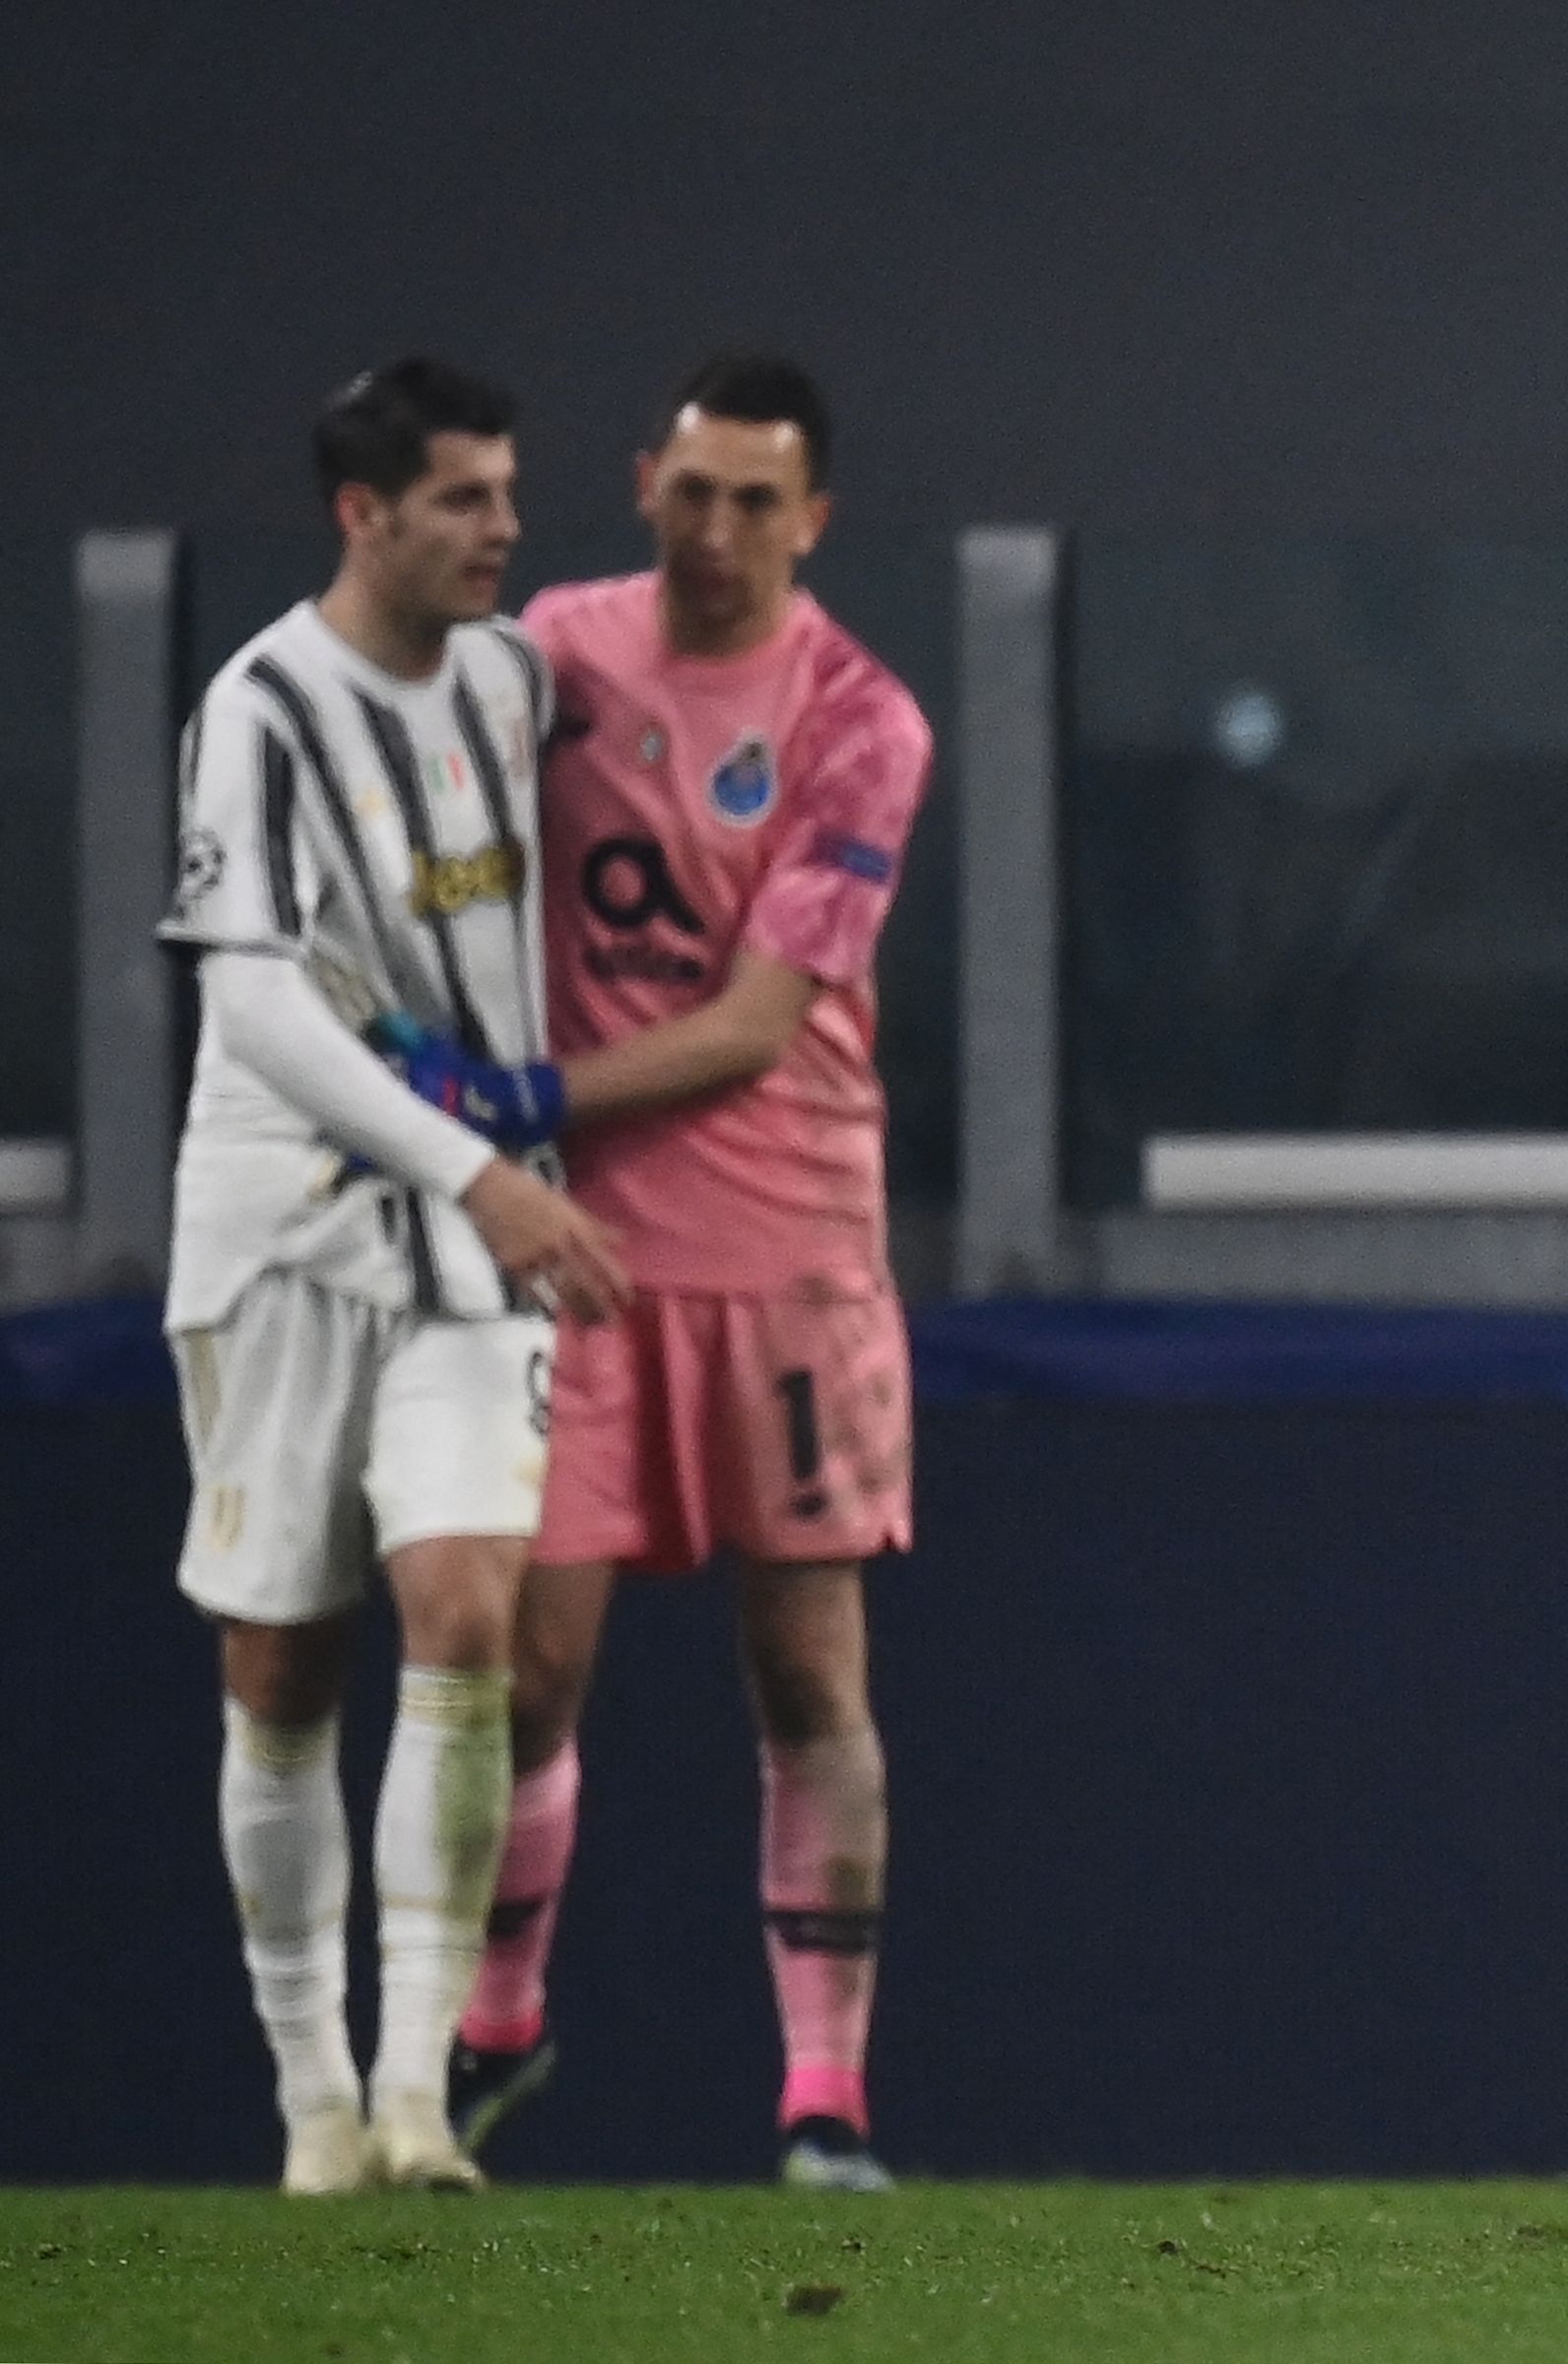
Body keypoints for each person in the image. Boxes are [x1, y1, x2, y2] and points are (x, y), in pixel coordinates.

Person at [443, 355, 934, 2193]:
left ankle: (826, 2103)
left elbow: (753, 1021)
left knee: (807, 1681)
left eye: (760, 501)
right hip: (581, 1256)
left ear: (813, 520)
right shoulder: (550, 654)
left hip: (793, 1247)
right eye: (694, 491)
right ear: (645, 483)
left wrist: (524, 1093)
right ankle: (498, 2020)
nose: (718, 531)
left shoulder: (859, 715)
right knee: (524, 1669)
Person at [161, 359, 629, 2193]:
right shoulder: (261, 704)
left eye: (509, 492)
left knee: (469, 1618)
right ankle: (312, 2102)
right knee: (282, 1668)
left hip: (471, 1248)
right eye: (463, 500)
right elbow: (253, 995)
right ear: (364, 513)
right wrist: (471, 1168)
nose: (503, 527)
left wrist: (499, 1181)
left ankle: (420, 2097)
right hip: (282, 1230)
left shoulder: (513, 680)